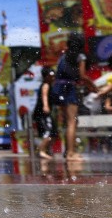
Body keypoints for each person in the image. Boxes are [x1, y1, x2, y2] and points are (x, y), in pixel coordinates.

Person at [52, 33, 97, 162]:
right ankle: (71, 153)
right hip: (68, 88)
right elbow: (82, 76)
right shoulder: (80, 56)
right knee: (72, 122)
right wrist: (93, 86)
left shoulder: (63, 56)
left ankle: (67, 152)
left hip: (57, 87)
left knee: (68, 122)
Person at [33, 67, 57, 160]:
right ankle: (41, 151)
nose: (53, 77)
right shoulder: (46, 85)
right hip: (42, 113)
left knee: (53, 133)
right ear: (45, 76)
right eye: (50, 76)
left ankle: (45, 150)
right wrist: (45, 105)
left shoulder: (50, 85)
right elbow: (44, 95)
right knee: (48, 133)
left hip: (44, 113)